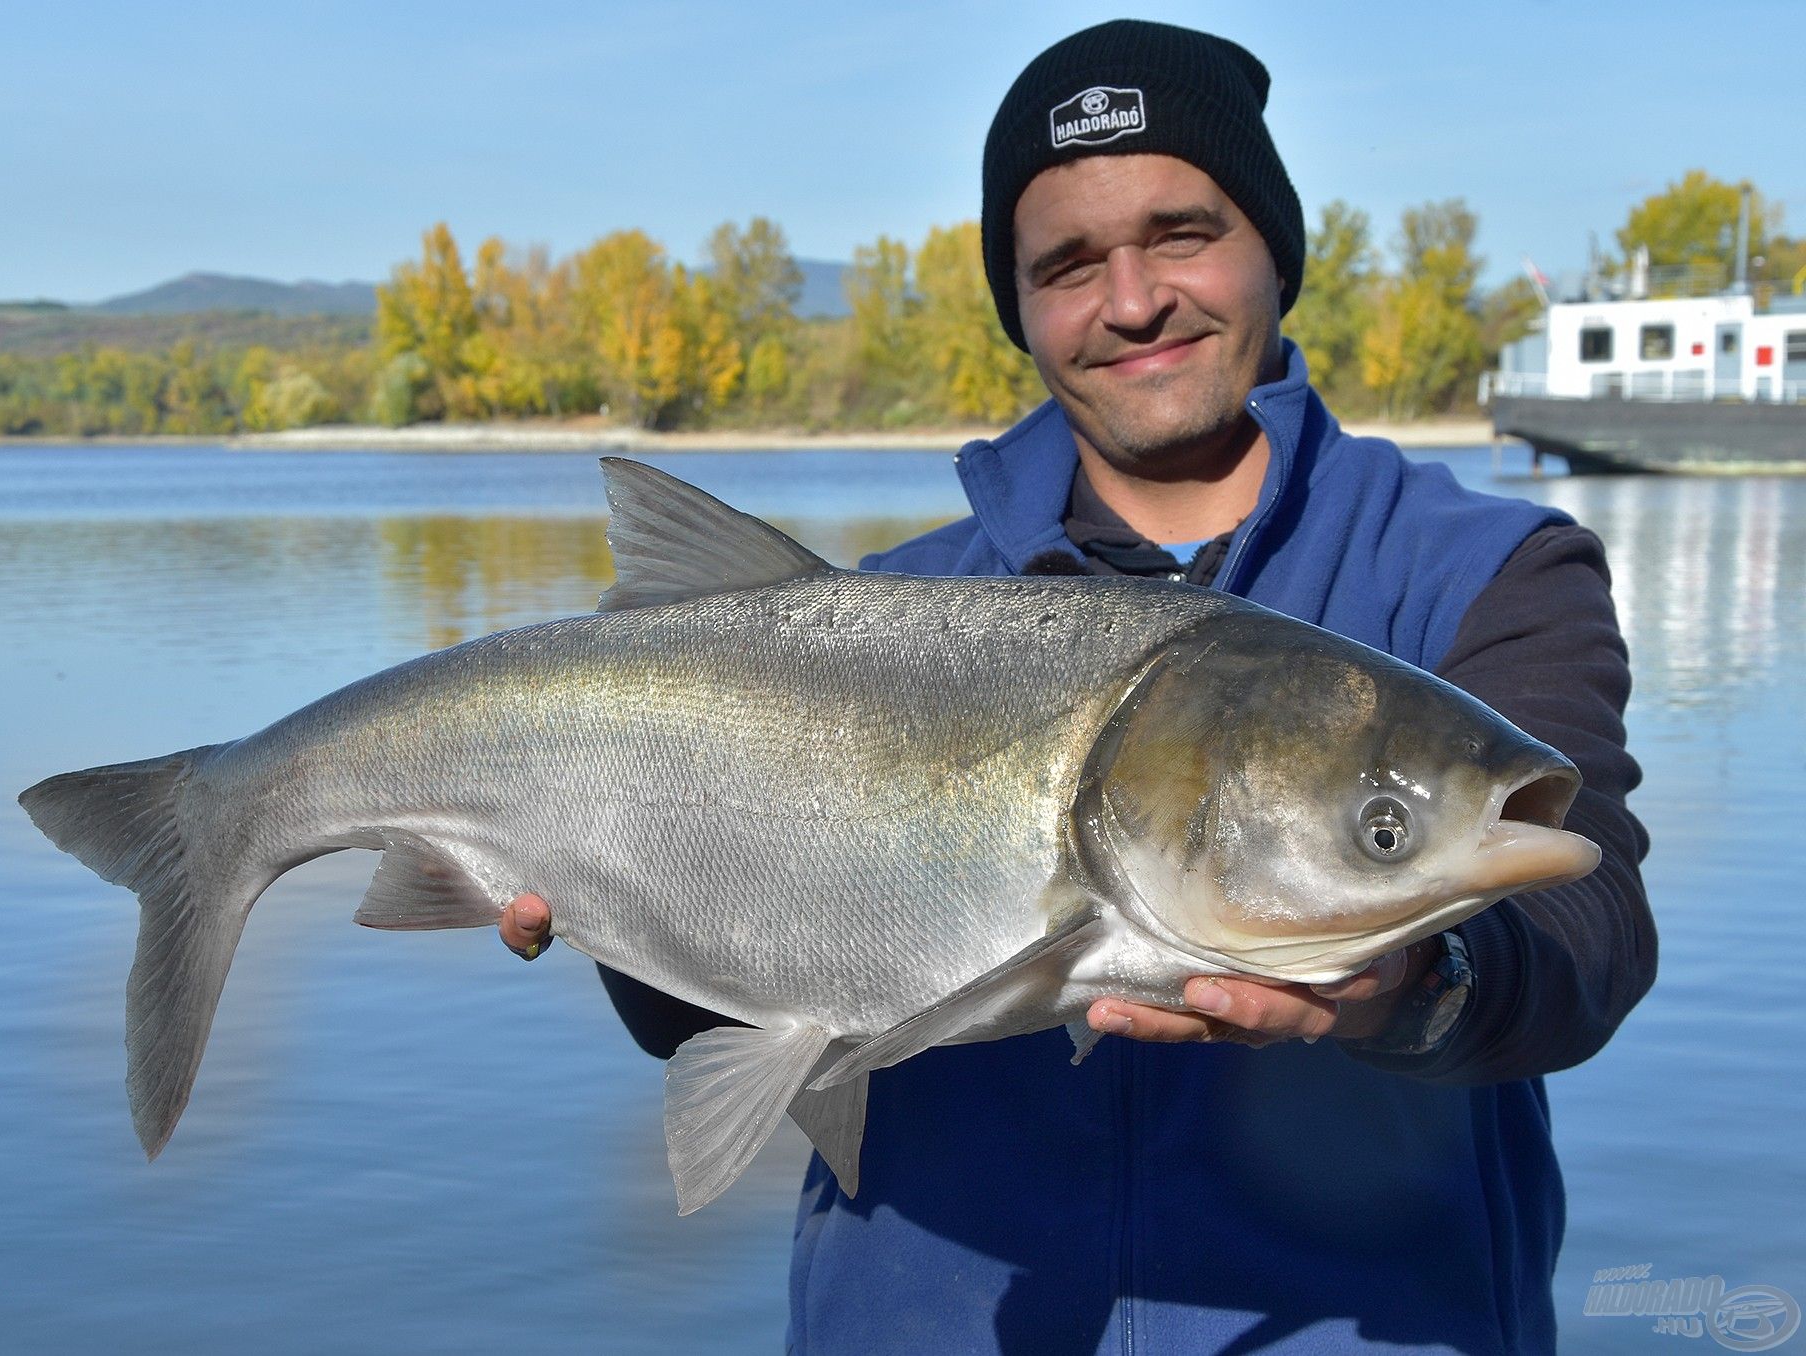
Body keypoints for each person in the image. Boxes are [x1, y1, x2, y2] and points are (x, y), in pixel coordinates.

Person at [499, 19, 1654, 1353]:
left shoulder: (1491, 570)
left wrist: (1408, 986)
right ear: (1023, 306)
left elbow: (1588, 939)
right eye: (1067, 264)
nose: (1132, 300)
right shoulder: (863, 618)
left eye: (1180, 233)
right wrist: (600, 882)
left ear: (1272, 244)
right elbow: (695, 1019)